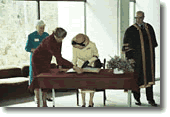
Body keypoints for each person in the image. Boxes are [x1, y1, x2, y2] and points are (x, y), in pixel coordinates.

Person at [31, 27, 81, 107]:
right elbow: (58, 56)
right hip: (37, 60)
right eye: (60, 38)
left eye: (62, 38)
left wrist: (60, 66)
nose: (61, 40)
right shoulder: (49, 42)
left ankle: (44, 101)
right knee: (39, 80)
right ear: (55, 35)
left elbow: (59, 54)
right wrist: (73, 66)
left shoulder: (59, 40)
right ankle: (39, 102)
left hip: (46, 60)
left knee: (45, 81)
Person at [122, 11, 158, 107]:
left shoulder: (149, 28)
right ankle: (137, 99)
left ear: (144, 17)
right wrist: (130, 59)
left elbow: (154, 44)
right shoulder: (130, 30)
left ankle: (151, 99)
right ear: (135, 18)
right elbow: (126, 47)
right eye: (137, 17)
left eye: (141, 17)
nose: (139, 19)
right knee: (137, 79)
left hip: (149, 59)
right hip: (137, 60)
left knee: (149, 79)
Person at [25, 20, 52, 102]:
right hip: (35, 60)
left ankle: (45, 97)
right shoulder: (31, 36)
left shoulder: (47, 35)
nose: (42, 29)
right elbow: (27, 48)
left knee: (45, 78)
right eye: (40, 28)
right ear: (36, 27)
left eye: (43, 27)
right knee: (35, 78)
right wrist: (34, 49)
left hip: (44, 60)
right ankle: (37, 98)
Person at [72, 33, 102, 107]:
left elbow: (96, 55)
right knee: (82, 83)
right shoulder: (75, 46)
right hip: (80, 66)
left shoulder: (92, 45)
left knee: (91, 83)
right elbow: (74, 58)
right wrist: (73, 66)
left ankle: (91, 101)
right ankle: (83, 102)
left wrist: (89, 61)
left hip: (91, 65)